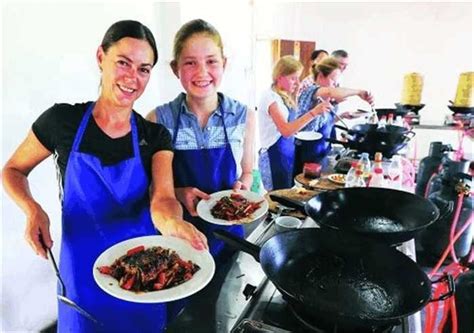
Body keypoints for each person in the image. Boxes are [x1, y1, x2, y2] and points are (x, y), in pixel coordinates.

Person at [2, 20, 207, 332]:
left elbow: (163, 198)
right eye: (123, 63)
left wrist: (173, 224)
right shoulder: (62, 120)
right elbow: (13, 170)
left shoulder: (155, 135)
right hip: (81, 273)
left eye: (143, 69)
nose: (132, 78)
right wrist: (33, 210)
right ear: (101, 57)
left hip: (143, 272)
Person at [146, 19, 256, 262]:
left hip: (229, 234)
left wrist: (243, 189)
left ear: (224, 64)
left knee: (228, 297)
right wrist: (177, 192)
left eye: (211, 61)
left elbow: (248, 172)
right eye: (190, 63)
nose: (202, 72)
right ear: (176, 68)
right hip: (178, 237)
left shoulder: (244, 116)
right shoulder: (157, 119)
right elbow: (149, 187)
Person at [258, 55, 332, 191]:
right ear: (280, 77)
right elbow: (286, 131)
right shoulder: (269, 97)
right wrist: (314, 112)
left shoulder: (283, 96)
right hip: (273, 156)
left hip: (286, 153)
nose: (297, 82)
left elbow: (294, 124)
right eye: (293, 78)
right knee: (277, 197)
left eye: (298, 78)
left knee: (286, 193)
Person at [295, 57, 374, 172]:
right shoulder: (311, 91)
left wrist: (342, 116)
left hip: (322, 150)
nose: (335, 85)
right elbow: (333, 91)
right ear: (321, 75)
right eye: (333, 80)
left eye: (337, 82)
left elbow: (322, 124)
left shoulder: (327, 98)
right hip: (307, 151)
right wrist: (358, 92)